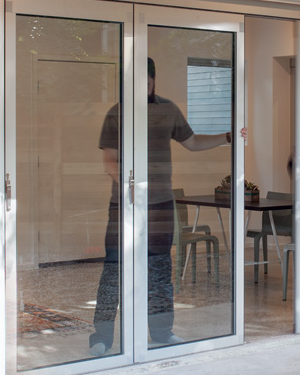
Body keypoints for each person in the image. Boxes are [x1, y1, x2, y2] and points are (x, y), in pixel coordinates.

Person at [89, 58, 235, 356]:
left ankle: (161, 332)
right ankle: (102, 337)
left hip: (160, 206)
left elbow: (192, 142)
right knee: (114, 270)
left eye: (147, 80)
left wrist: (229, 137)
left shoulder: (168, 109)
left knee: (159, 269)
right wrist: (131, 189)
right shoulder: (117, 113)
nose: (143, 85)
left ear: (154, 80)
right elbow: (109, 160)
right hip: (124, 205)